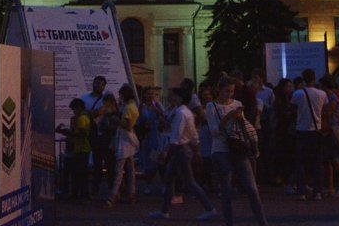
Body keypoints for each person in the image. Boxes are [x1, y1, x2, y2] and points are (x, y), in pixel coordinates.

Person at [206, 75, 268, 226]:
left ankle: (262, 222)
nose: (229, 94)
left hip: (238, 147)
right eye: (226, 91)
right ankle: (229, 222)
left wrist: (240, 119)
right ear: (219, 90)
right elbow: (214, 131)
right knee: (226, 190)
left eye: (232, 91)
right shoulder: (211, 107)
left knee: (252, 189)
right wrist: (228, 117)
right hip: (221, 148)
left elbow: (242, 127)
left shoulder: (238, 104)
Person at [148, 86, 217, 221]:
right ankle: (164, 210)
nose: (170, 98)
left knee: (189, 182)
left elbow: (176, 137)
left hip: (180, 150)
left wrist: (166, 152)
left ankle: (209, 208)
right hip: (183, 149)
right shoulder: (183, 111)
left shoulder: (180, 113)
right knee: (170, 179)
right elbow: (192, 134)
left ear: (179, 98)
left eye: (173, 95)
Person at [291, 67, 327, 200]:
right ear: (314, 78)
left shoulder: (298, 94)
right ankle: (318, 191)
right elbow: (324, 110)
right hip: (316, 130)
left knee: (300, 162)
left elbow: (294, 109)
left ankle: (301, 191)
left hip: (301, 130)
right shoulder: (322, 94)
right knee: (318, 162)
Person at [105, 84, 139, 207]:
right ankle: (131, 194)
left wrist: (116, 120)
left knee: (119, 170)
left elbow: (128, 126)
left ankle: (113, 196)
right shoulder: (132, 106)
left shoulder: (128, 108)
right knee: (130, 170)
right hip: (128, 140)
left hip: (125, 141)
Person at [56, 98, 92, 201]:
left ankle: (81, 195)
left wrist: (66, 132)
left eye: (74, 109)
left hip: (81, 148)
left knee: (79, 173)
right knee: (79, 173)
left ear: (78, 108)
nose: (73, 112)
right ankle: (79, 194)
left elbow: (81, 134)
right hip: (80, 149)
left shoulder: (82, 119)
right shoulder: (83, 117)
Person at [81, 75, 109, 196]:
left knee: (99, 161)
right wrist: (95, 112)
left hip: (100, 134)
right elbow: (81, 112)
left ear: (104, 86)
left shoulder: (105, 99)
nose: (98, 85)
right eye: (96, 83)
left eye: (101, 84)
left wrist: (90, 113)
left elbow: (103, 112)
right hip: (87, 131)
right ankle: (85, 189)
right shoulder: (85, 97)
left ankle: (96, 188)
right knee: (84, 160)